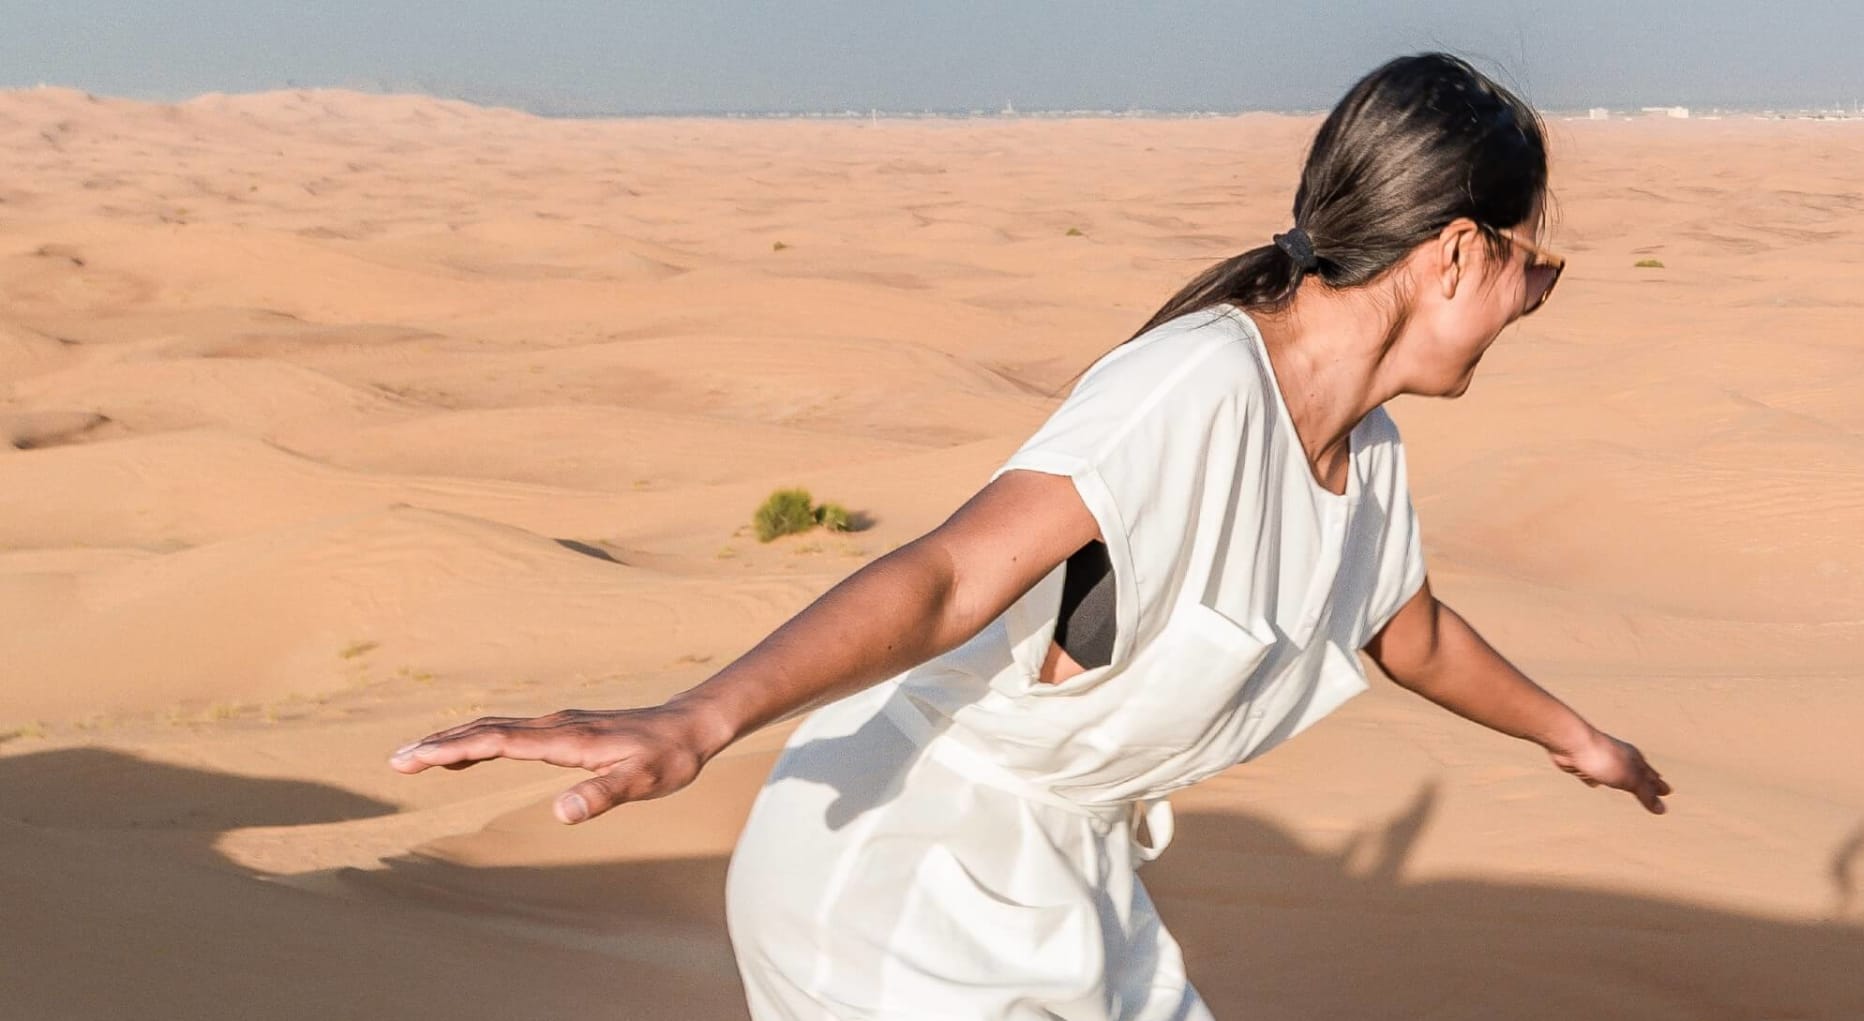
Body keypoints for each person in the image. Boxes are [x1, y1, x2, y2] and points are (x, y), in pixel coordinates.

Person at [383, 52, 1668, 1019]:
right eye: (1531, 271)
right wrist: (696, 720)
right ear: (1454, 253)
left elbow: (1411, 628)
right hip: (903, 867)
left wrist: (1577, 737)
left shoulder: (1366, 456)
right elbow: (948, 573)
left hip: (1073, 875)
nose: (1530, 304)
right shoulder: (1198, 389)